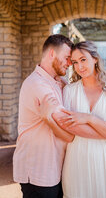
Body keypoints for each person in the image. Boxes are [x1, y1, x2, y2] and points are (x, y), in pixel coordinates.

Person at [53, 41, 106, 198]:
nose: (79, 66)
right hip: (77, 163)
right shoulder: (69, 91)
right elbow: (69, 128)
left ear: (95, 59)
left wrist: (89, 119)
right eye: (74, 62)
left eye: (83, 59)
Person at [13, 34, 74, 198]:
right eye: (67, 58)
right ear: (52, 54)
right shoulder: (37, 84)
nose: (69, 63)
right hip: (39, 171)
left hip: (54, 169)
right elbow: (67, 127)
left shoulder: (57, 82)